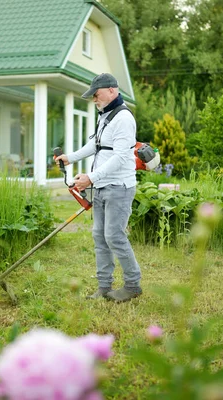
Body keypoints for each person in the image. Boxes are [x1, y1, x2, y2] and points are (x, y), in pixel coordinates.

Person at [54, 73, 142, 303]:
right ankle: (104, 287)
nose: (94, 99)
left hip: (119, 187)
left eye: (97, 94)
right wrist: (70, 158)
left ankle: (133, 285)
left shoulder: (123, 118)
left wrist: (91, 177)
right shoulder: (106, 116)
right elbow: (96, 144)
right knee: (100, 236)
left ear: (112, 90)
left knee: (114, 235)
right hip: (103, 186)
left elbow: (122, 157)